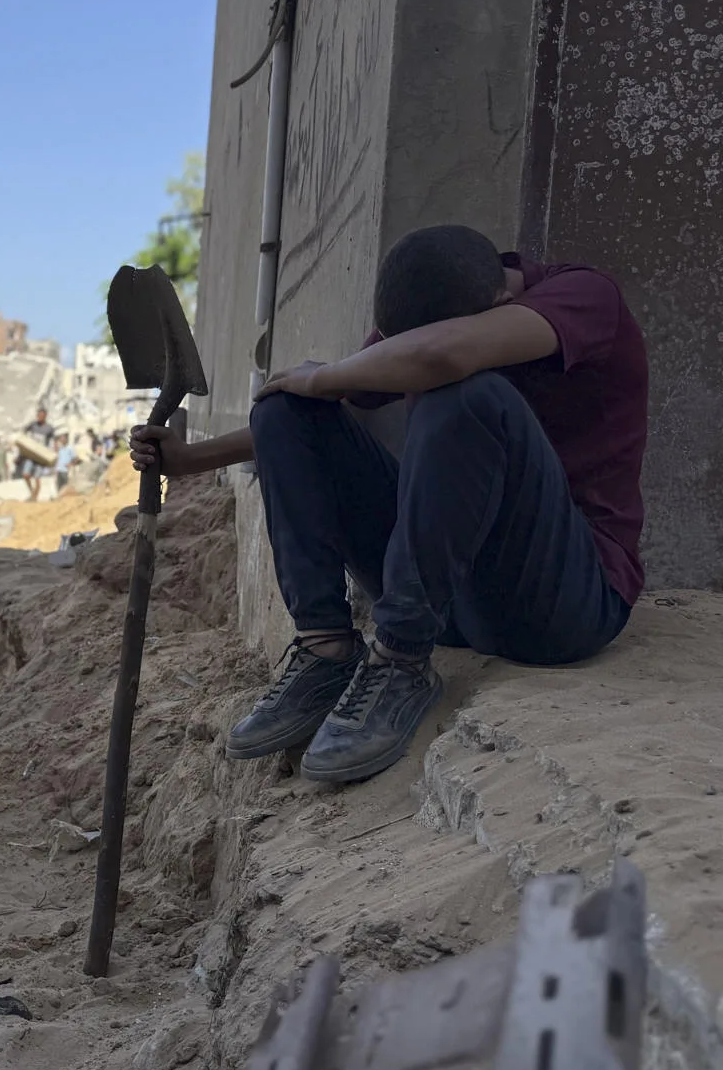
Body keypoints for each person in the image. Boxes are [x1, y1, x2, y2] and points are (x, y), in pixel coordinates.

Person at [131, 225, 645, 785]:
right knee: (284, 411)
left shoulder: (583, 297)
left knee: (466, 394)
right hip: (452, 599)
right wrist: (191, 459)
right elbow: (322, 398)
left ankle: (400, 660)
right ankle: (324, 650)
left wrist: (323, 374)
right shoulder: (433, 317)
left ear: (501, 302)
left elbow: (439, 356)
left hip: (562, 604)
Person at [21, 407, 56, 501]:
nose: (39, 417)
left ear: (45, 416)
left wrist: (54, 453)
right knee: (26, 475)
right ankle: (32, 491)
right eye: (38, 415)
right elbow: (24, 431)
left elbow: (54, 441)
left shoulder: (49, 428)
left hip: (41, 456)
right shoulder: (33, 425)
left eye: (42, 416)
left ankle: (34, 497)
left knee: (37, 478)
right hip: (32, 454)